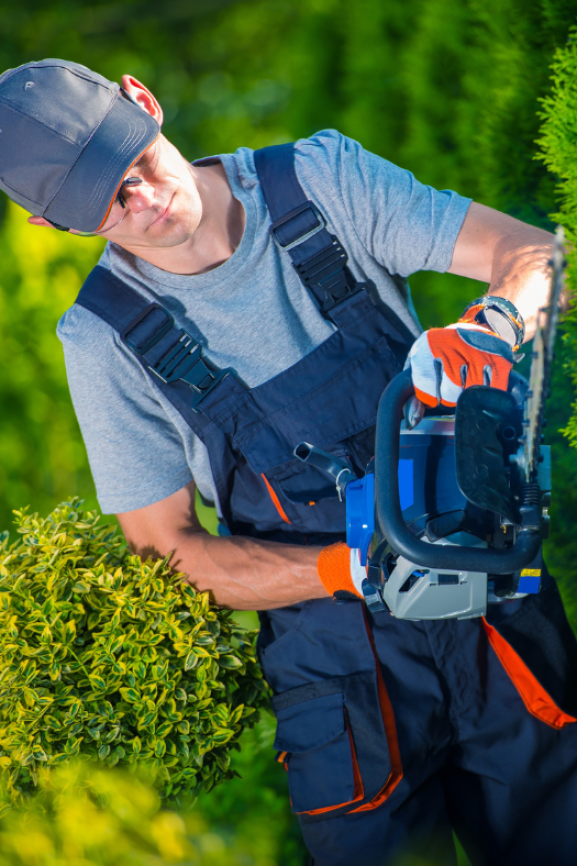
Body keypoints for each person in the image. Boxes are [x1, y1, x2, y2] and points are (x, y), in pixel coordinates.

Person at [2, 58, 577, 865]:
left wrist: (493, 325)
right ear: (50, 227)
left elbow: (534, 256)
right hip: (340, 684)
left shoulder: (318, 181)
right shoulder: (103, 340)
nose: (139, 199)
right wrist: (349, 570)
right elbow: (171, 556)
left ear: (143, 101)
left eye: (128, 163)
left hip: (493, 615)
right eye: (101, 205)